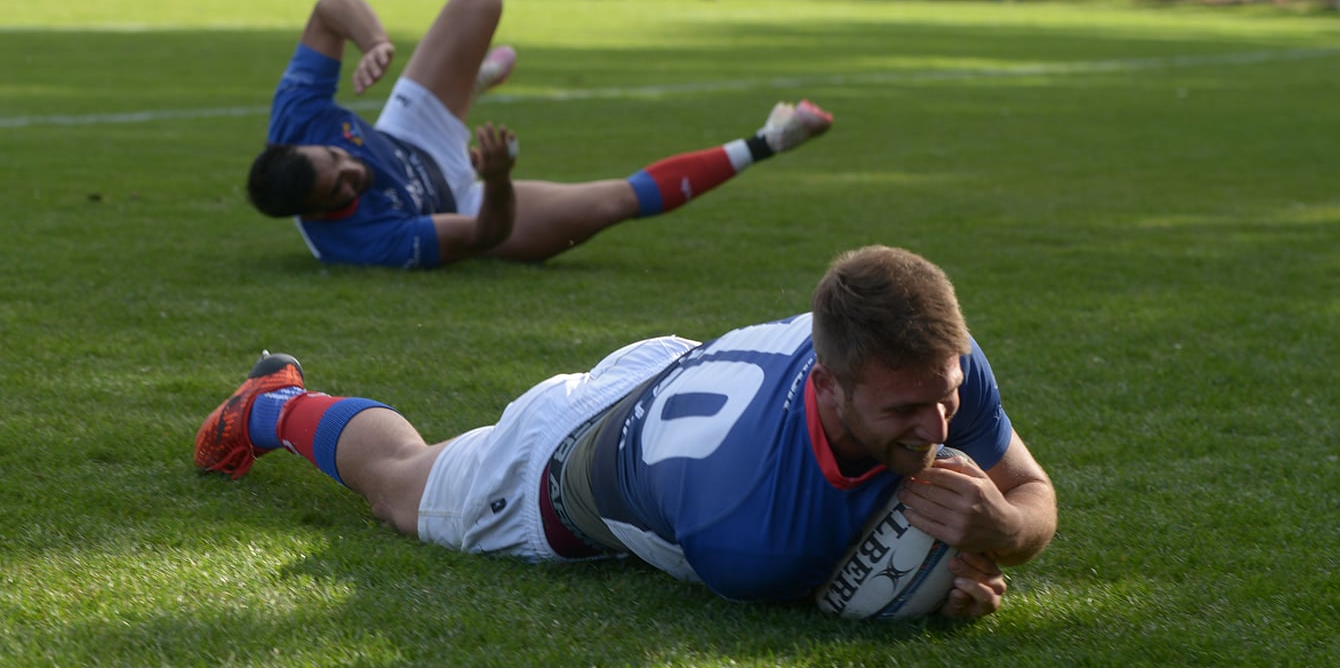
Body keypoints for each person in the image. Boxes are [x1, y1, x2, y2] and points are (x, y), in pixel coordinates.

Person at [195, 245, 1057, 619]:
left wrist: (1007, 530)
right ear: (829, 386)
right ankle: (269, 403)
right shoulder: (748, 533)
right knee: (399, 484)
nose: (938, 423)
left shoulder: (935, 360)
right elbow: (843, 591)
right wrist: (932, 587)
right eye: (905, 412)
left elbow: (1031, 494)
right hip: (562, 467)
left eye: (942, 397)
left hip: (678, 370)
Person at [249, 0, 832, 268]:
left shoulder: (299, 119)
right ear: (320, 213)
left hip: (411, 136)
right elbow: (484, 237)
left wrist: (373, 41)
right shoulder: (360, 243)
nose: (352, 170)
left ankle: (465, 91)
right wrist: (498, 177)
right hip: (467, 200)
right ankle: (772, 138)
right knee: (613, 205)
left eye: (337, 160)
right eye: (341, 188)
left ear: (309, 146)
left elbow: (330, 5)